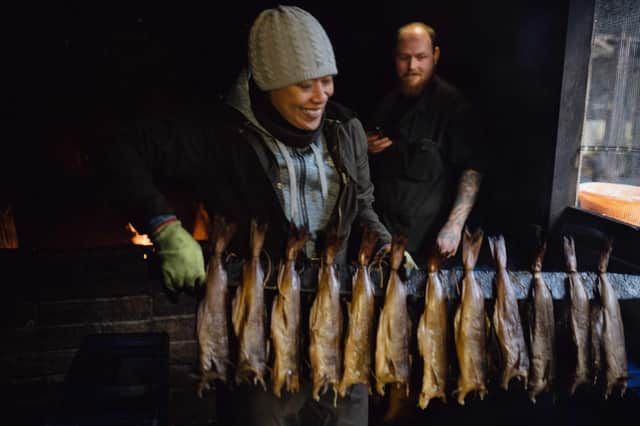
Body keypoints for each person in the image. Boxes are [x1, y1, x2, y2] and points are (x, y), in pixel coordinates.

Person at [99, 6, 391, 426]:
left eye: (327, 81)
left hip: (341, 340)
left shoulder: (346, 128)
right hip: (259, 345)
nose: (321, 95)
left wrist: (380, 242)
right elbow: (119, 148)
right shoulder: (219, 134)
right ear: (267, 84)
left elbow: (362, 204)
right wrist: (165, 228)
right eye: (304, 84)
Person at [366, 22, 486, 264]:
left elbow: (471, 169)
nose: (412, 66)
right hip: (384, 242)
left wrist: (454, 227)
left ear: (436, 56)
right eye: (404, 58)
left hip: (428, 246)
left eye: (421, 57)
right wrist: (364, 149)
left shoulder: (452, 106)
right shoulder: (385, 104)